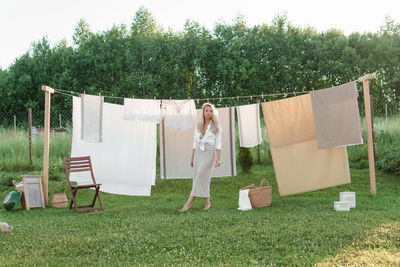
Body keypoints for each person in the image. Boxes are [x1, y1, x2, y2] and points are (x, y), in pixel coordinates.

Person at [180, 103, 222, 212]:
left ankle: (189, 202)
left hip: (209, 152)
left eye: (211, 111)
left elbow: (218, 144)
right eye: (206, 110)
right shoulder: (198, 125)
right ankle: (207, 203)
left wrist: (218, 159)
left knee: (200, 176)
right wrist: (192, 157)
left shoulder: (217, 127)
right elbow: (195, 143)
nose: (208, 112)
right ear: (203, 112)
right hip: (199, 153)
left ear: (213, 113)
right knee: (201, 177)